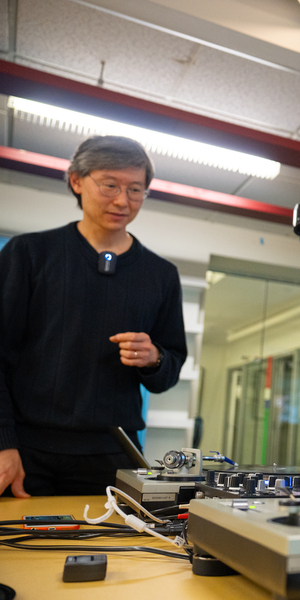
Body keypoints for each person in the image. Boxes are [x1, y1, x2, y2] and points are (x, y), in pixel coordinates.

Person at [0, 135, 187, 497]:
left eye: (136, 189)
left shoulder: (161, 275)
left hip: (115, 454)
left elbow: (169, 371)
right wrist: (3, 442)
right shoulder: (28, 255)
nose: (123, 200)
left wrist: (154, 359)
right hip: (26, 450)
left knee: (116, 552)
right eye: (110, 185)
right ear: (76, 180)